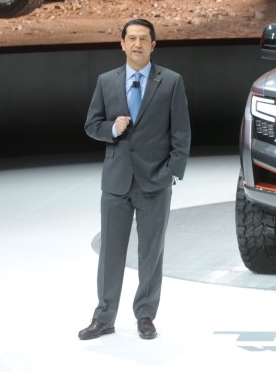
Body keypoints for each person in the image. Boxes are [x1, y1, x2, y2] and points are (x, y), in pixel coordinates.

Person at [79, 19, 191, 340]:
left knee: (150, 254)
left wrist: (171, 173)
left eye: (144, 39)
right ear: (122, 44)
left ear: (153, 45)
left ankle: (145, 315)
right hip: (115, 182)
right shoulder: (106, 81)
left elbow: (181, 133)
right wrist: (112, 129)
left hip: (155, 182)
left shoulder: (171, 82)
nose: (138, 44)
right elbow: (91, 124)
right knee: (111, 252)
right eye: (132, 39)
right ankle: (104, 317)